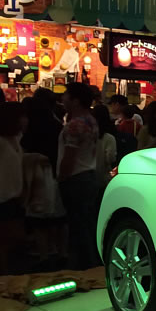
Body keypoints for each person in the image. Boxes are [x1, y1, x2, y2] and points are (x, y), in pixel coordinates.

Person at [57, 82, 100, 270]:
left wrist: (61, 177)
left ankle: (82, 266)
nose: (63, 98)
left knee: (77, 225)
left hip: (75, 179)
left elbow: (69, 157)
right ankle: (91, 264)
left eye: (66, 94)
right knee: (86, 223)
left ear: (75, 100)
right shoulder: (91, 120)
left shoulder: (75, 125)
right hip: (89, 175)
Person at [0, 102, 27, 274]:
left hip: (13, 198)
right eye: (23, 116)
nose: (26, 120)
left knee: (9, 242)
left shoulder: (14, 140)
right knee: (1, 244)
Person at [91, 104, 117, 192]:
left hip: (87, 178)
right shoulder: (109, 138)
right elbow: (110, 158)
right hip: (103, 178)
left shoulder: (86, 135)